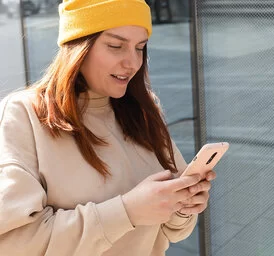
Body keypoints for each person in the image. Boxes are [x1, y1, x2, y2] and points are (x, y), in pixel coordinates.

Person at [0, 0, 215, 255]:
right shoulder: (24, 114)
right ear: (79, 45)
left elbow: (173, 230)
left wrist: (183, 206)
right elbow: (13, 242)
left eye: (140, 48)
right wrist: (128, 212)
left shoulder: (145, 111)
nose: (132, 63)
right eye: (115, 46)